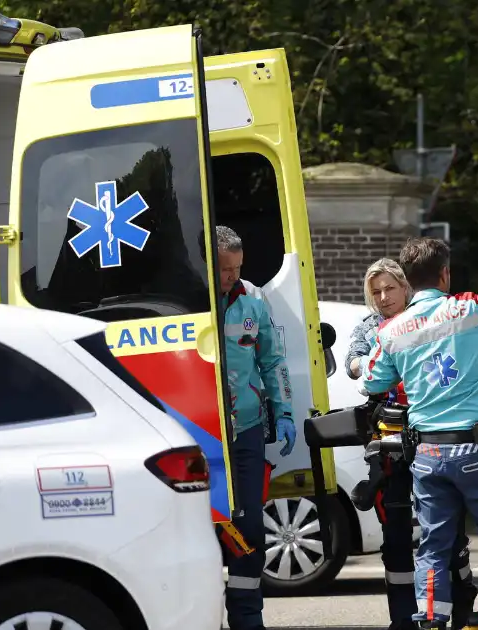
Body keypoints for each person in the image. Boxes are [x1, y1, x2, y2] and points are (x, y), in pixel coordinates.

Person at [361, 237, 478, 628]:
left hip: (428, 455)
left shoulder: (390, 331)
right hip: (477, 450)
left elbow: (371, 381)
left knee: (433, 547)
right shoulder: (467, 306)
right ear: (444, 273)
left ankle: (431, 620)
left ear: (407, 280)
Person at [345, 257, 478, 630]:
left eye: (390, 288)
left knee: (447, 531)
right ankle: (403, 619)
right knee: (397, 535)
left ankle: (460, 606)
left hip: (435, 434)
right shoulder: (371, 327)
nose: (384, 297)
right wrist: (377, 362)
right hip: (390, 441)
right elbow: (354, 364)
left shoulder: (431, 316)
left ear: (406, 286)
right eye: (376, 292)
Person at [216, 225, 297, 630]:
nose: (231, 277)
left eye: (236, 268)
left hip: (245, 429)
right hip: (200, 431)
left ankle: (247, 620)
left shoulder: (252, 299)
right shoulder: (187, 301)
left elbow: (273, 360)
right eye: (224, 269)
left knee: (248, 529)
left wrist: (283, 412)